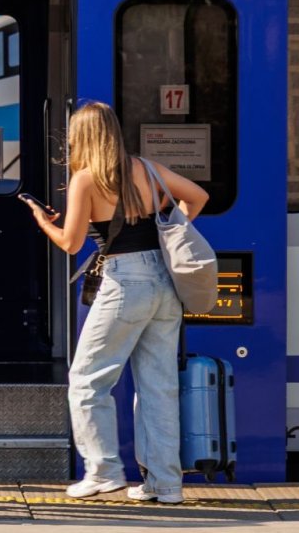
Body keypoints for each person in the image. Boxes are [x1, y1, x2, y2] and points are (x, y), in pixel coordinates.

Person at [29, 101, 208, 505]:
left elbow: (70, 244)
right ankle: (166, 484)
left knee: (87, 380)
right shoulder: (146, 168)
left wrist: (43, 222)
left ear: (81, 137)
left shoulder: (86, 180)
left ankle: (104, 470)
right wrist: (173, 226)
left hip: (125, 283)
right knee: (158, 387)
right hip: (165, 283)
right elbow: (197, 196)